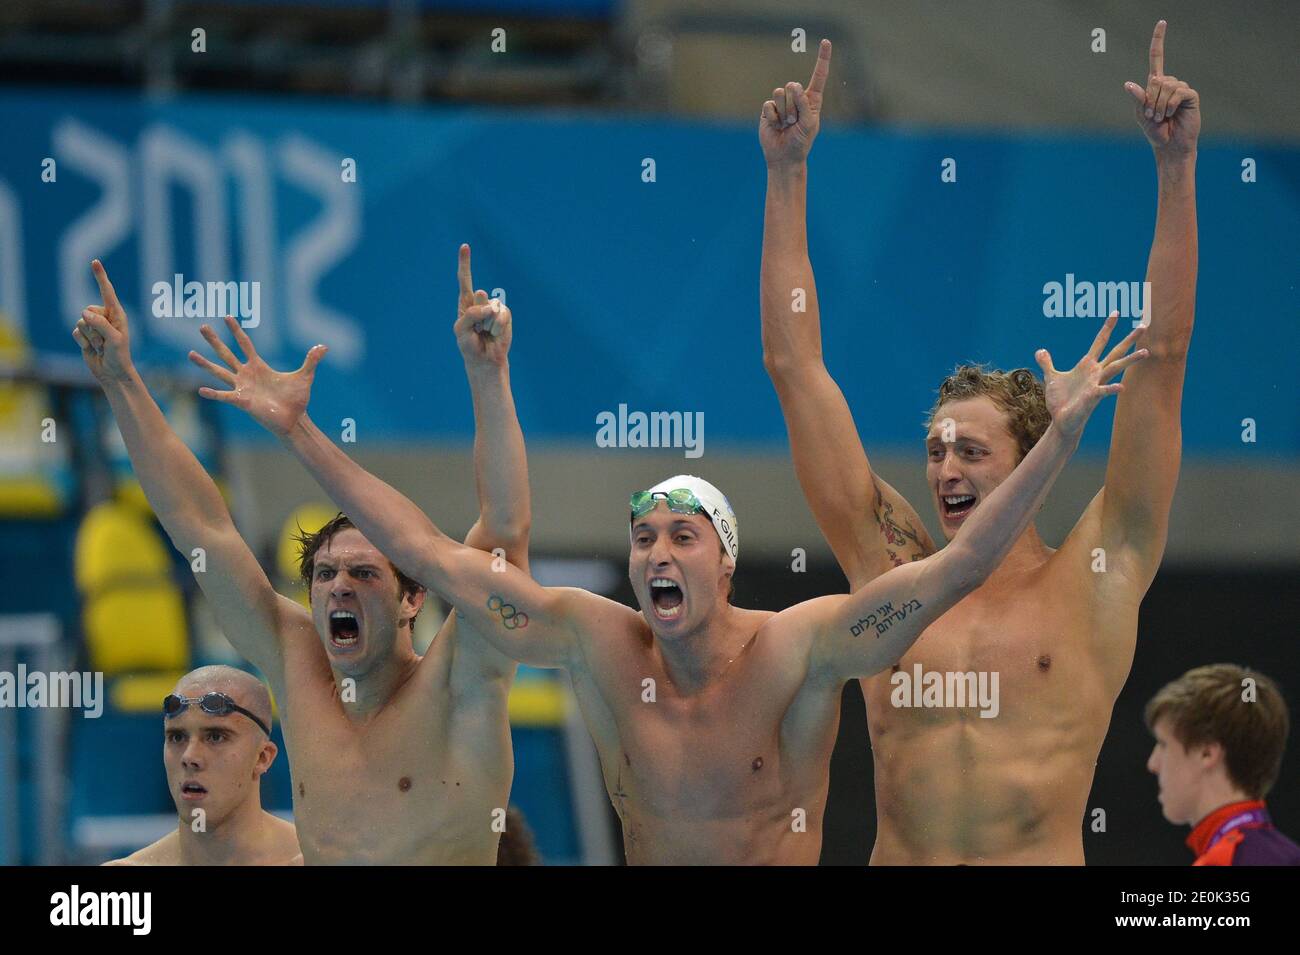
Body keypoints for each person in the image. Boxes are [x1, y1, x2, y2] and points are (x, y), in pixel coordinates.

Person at [192, 297, 1143, 862]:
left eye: (679, 536)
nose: (654, 555)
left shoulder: (802, 647)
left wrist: (1061, 437)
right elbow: (441, 555)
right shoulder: (596, 640)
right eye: (641, 536)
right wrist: (298, 432)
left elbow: (964, 563)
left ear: (723, 560)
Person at [757, 23, 1197, 863]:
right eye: (935, 450)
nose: (944, 469)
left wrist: (1175, 173)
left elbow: (1163, 361)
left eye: (971, 451)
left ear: (1035, 455)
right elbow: (795, 366)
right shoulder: (890, 572)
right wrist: (787, 175)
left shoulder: (1100, 573)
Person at [73, 247, 529, 864]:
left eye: (365, 573)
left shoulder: (462, 679)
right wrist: (123, 382)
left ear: (413, 597)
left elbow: (503, 531)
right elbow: (201, 528)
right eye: (324, 574)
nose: (339, 587)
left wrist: (488, 376)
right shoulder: (298, 667)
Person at [105, 665, 301, 865]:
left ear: (262, 758)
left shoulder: (318, 860)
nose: (189, 757)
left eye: (215, 737)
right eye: (177, 737)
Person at [1145, 664, 1300, 866]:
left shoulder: (1224, 860)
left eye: (1163, 744)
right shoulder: (1285, 854)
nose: (1152, 764)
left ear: (1207, 753)